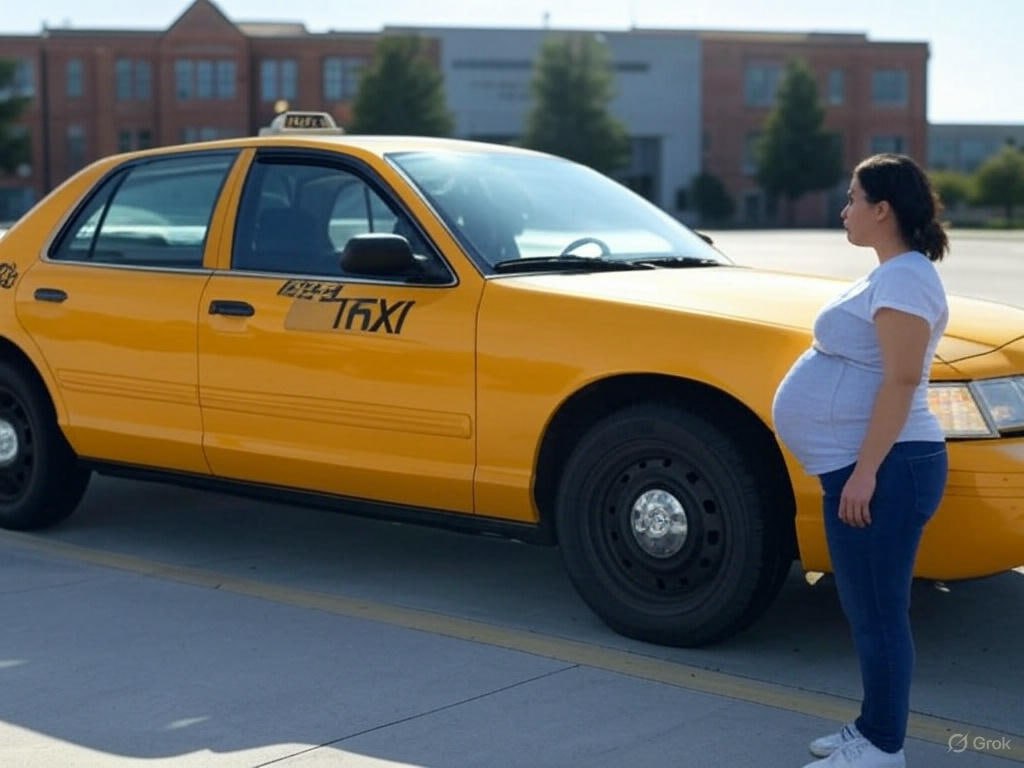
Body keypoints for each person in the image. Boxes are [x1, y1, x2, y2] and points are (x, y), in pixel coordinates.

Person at [771, 153, 950, 768]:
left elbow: (900, 380)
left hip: (886, 468)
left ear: (882, 209)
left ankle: (883, 748)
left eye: (852, 198)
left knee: (878, 612)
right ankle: (872, 726)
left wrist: (867, 472)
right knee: (867, 608)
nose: (843, 209)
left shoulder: (903, 278)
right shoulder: (890, 274)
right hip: (869, 466)